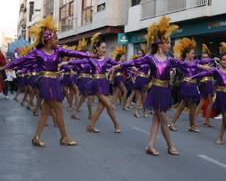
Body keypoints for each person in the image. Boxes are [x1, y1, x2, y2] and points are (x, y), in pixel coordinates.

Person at [113, 16, 205, 156]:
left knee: (156, 118)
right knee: (163, 118)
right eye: (168, 42)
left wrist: (201, 65)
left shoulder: (170, 59)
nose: (170, 45)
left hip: (165, 90)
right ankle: (170, 146)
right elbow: (133, 63)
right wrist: (117, 66)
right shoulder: (150, 58)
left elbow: (185, 63)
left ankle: (150, 145)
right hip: (156, 90)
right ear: (160, 44)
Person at [6, 16, 93, 147]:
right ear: (48, 40)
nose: (57, 41)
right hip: (46, 82)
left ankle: (36, 137)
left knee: (45, 111)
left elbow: (73, 53)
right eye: (56, 38)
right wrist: (7, 67)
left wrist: (88, 55)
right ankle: (64, 137)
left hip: (55, 81)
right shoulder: (37, 53)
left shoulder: (58, 51)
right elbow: (21, 60)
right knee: (58, 108)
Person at [169, 38, 207, 133]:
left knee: (193, 105)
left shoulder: (195, 62)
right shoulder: (183, 63)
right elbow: (194, 66)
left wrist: (213, 59)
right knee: (182, 105)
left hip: (193, 85)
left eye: (194, 53)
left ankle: (192, 126)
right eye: (192, 53)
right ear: (187, 54)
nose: (194, 55)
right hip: (186, 85)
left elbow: (202, 61)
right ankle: (172, 123)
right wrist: (203, 67)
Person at [194, 44, 215, 127]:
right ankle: (203, 120)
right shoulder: (200, 64)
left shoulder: (210, 64)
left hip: (209, 83)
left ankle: (205, 120)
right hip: (205, 83)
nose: (205, 58)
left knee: (206, 102)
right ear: (201, 58)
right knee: (206, 102)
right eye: (204, 57)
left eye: (206, 56)